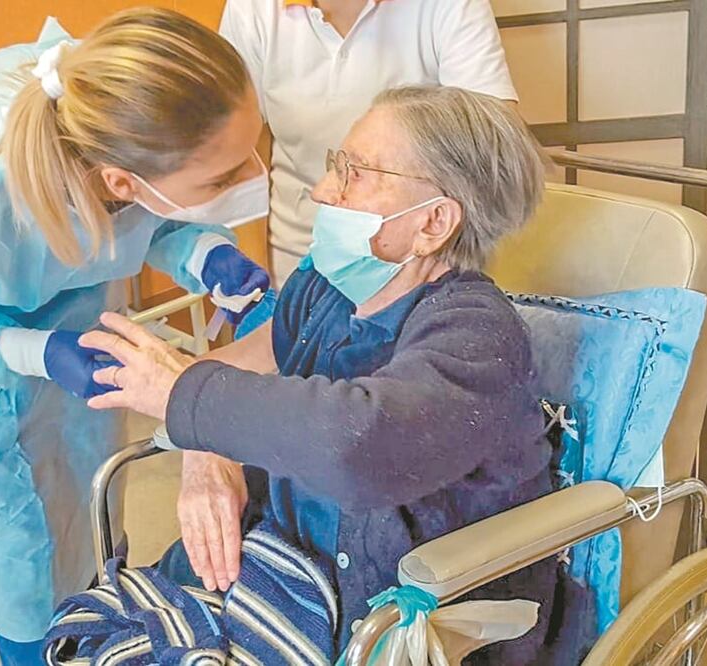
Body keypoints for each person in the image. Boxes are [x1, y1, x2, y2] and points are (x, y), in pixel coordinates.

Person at [0, 9, 272, 665]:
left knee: (91, 479)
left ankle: (104, 620)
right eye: (223, 179)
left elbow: (153, 207)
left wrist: (206, 253)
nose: (249, 179)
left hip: (70, 290)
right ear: (118, 181)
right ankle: (35, 651)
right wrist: (32, 350)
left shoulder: (125, 119)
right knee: (13, 536)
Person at [80, 87, 588, 662]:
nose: (323, 191)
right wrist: (204, 455)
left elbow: (359, 445)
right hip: (284, 566)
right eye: (335, 165)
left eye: (355, 173)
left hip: (399, 620)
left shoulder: (477, 334)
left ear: (433, 223)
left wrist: (181, 395)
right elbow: (233, 366)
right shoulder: (326, 288)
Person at [219, 0, 518, 284]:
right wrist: (251, 278)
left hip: (419, 264)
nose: (325, 191)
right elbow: (233, 151)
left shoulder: (448, 7)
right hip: (295, 256)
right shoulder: (254, 9)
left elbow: (491, 149)